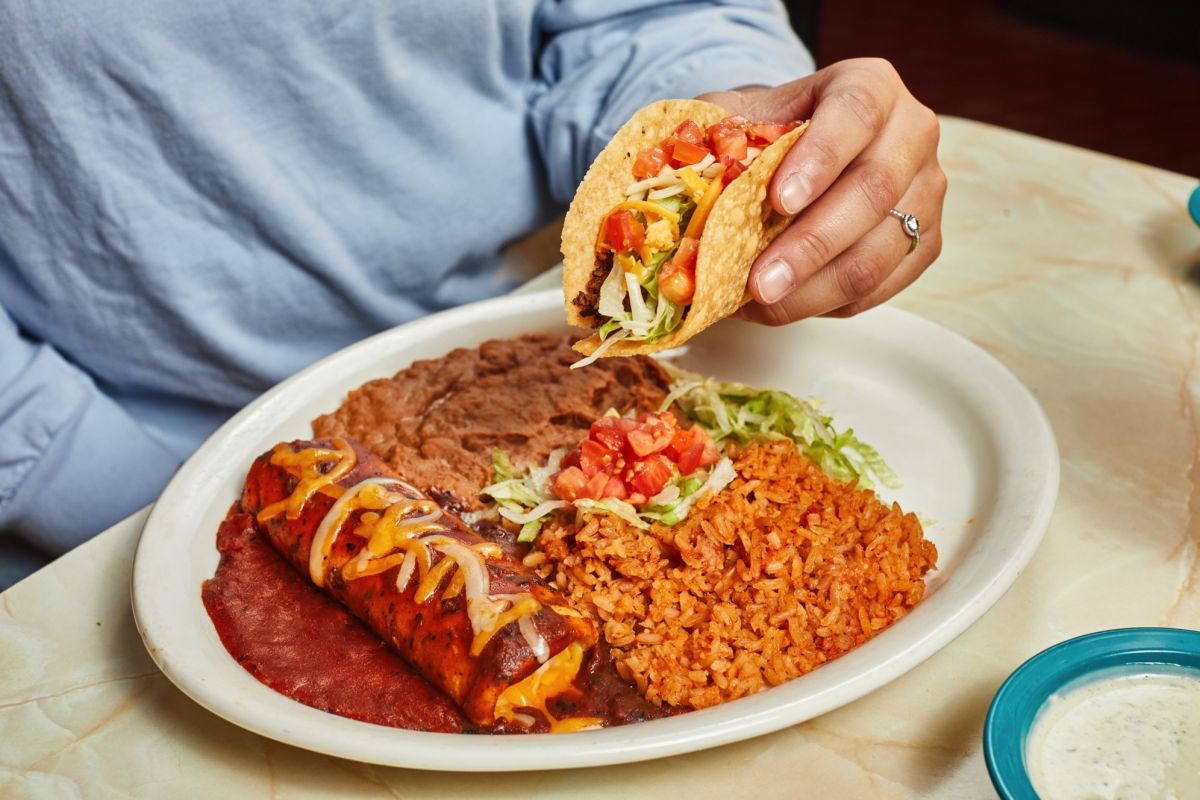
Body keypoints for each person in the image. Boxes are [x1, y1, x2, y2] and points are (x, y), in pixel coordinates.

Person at [0, 0, 945, 589]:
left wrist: (736, 169)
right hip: (103, 479)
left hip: (528, 357)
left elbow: (643, 18)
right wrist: (142, 507)